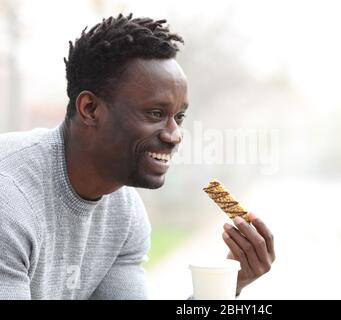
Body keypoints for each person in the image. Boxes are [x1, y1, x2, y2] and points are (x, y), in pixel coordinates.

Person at [0, 13, 275, 299]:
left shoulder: (124, 213)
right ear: (90, 109)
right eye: (155, 114)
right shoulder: (10, 200)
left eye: (178, 117)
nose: (174, 134)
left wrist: (223, 288)